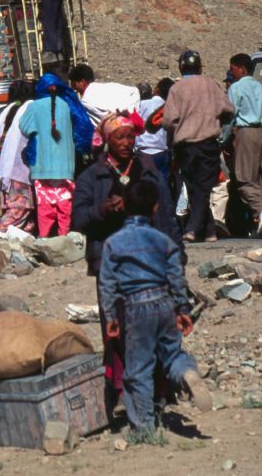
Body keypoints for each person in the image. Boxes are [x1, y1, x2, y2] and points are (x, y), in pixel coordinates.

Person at [72, 112, 182, 409]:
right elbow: (78, 219)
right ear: (107, 141)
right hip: (110, 262)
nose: (126, 142)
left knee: (154, 324)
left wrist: (177, 253)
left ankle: (159, 389)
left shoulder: (147, 170)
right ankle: (120, 390)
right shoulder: (91, 177)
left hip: (149, 261)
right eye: (119, 137)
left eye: (130, 136)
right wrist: (103, 210)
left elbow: (165, 213)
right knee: (116, 325)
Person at [99, 178, 212, 436]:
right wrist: (182, 309)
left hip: (134, 306)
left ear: (124, 205)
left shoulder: (113, 243)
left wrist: (110, 318)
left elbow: (107, 284)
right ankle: (186, 373)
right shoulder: (163, 241)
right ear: (155, 208)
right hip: (163, 302)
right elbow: (176, 277)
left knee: (138, 369)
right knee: (171, 355)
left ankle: (143, 429)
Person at [163, 51, 234, 243]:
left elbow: (168, 120)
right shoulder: (211, 84)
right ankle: (207, 230)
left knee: (195, 186)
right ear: (200, 67)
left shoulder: (176, 89)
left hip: (185, 146)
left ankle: (194, 229)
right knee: (201, 186)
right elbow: (229, 110)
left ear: (181, 67)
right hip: (208, 143)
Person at [226, 54, 262, 238]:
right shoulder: (260, 86)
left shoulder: (236, 88)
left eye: (233, 70)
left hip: (245, 133)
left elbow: (230, 116)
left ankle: (261, 209)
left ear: (241, 68)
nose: (232, 74)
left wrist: (224, 138)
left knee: (244, 178)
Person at [19, 74, 76, 237]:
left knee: (45, 205)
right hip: (65, 166)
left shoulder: (35, 106)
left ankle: (45, 238)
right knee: (64, 203)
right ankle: (64, 236)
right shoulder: (67, 105)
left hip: (42, 166)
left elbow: (23, 126)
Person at [0, 80, 36, 233]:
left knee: (21, 214)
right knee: (17, 212)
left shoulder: (7, 111)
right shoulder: (28, 110)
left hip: (6, 171)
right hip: (19, 171)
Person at [69, 64, 140, 129]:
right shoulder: (107, 86)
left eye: (74, 83)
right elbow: (134, 91)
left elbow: (101, 122)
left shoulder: (86, 101)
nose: (72, 87)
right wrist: (131, 113)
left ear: (83, 82)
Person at [136, 78, 173, 187]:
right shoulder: (169, 107)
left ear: (156, 89)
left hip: (143, 150)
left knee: (142, 184)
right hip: (161, 150)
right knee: (162, 184)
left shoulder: (142, 104)